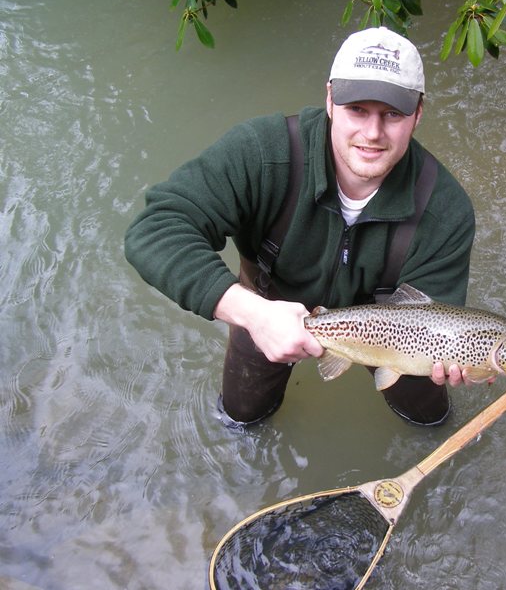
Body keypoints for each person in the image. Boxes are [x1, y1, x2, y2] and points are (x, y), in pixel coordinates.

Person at [124, 26, 476, 428]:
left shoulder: (446, 210)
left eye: (392, 113)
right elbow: (154, 229)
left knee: (431, 419)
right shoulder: (261, 153)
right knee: (242, 418)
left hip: (395, 334)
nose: (372, 133)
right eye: (356, 109)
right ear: (329, 99)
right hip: (265, 307)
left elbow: (438, 313)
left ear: (418, 113)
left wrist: (462, 360)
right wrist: (253, 314)